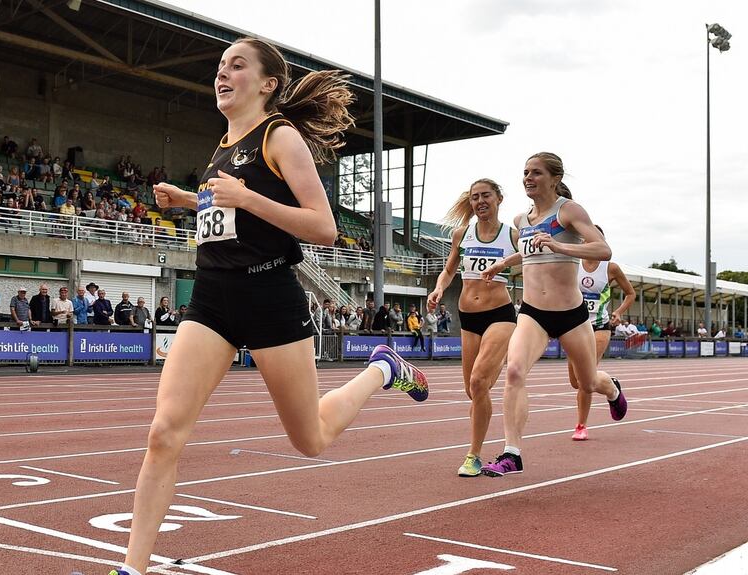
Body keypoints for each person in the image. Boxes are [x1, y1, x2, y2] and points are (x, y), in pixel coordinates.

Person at [110, 37, 427, 575]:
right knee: (164, 432)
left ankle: (382, 369)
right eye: (219, 66)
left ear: (268, 84)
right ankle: (132, 568)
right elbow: (232, 211)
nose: (222, 74)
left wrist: (247, 197)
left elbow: (324, 228)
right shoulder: (223, 143)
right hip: (211, 298)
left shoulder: (280, 137)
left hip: (269, 296)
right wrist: (191, 200)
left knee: (310, 439)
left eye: (237, 66)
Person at [479, 154, 626, 478]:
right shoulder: (522, 220)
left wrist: (561, 248)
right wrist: (503, 264)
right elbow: (530, 250)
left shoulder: (568, 211)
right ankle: (511, 453)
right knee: (514, 371)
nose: (528, 178)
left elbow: (603, 250)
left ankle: (612, 389)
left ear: (554, 178)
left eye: (536, 173)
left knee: (586, 383)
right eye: (525, 173)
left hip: (571, 315)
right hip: (533, 313)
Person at [428, 179, 518, 476]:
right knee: (473, 390)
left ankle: (474, 455)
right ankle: (488, 431)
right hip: (468, 317)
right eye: (475, 197)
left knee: (479, 382)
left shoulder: (512, 235)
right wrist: (439, 289)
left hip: (500, 315)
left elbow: (532, 259)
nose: (480, 201)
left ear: (499, 199)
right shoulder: (461, 234)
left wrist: (504, 264)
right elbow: (450, 268)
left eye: (486, 196)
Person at [566, 226, 635, 441]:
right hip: (573, 326)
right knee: (576, 382)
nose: (588, 242)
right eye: (584, 238)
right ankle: (612, 388)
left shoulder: (610, 268)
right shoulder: (572, 264)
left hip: (599, 326)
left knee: (586, 376)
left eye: (594, 239)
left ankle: (581, 425)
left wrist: (618, 312)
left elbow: (630, 293)